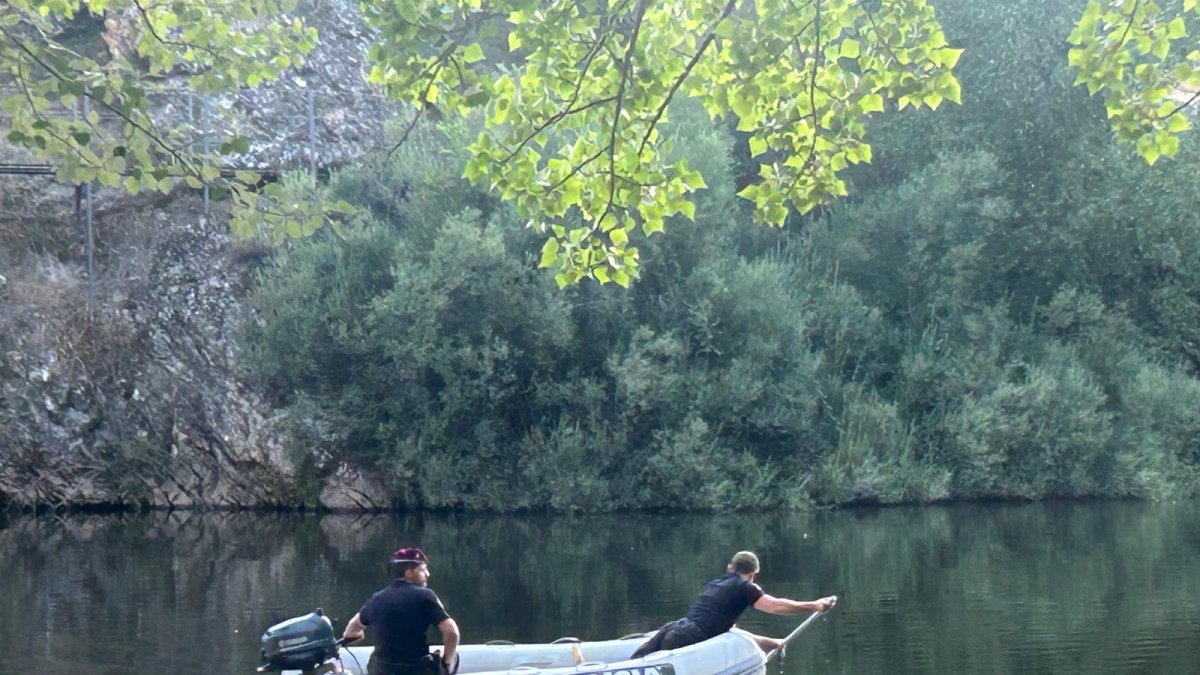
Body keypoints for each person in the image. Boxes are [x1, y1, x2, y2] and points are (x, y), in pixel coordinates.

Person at [631, 550, 836, 658]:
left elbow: (732, 632)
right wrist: (815, 605)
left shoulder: (717, 582)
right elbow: (775, 606)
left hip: (674, 630)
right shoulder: (746, 586)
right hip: (687, 638)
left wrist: (771, 642)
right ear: (754, 573)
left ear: (731, 567)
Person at [343, 547, 461, 675]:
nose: (428, 574)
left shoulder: (377, 598)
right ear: (409, 573)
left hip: (381, 670)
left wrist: (358, 636)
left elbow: (351, 630)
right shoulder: (425, 596)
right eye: (423, 569)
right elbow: (452, 632)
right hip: (416, 670)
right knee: (455, 656)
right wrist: (446, 663)